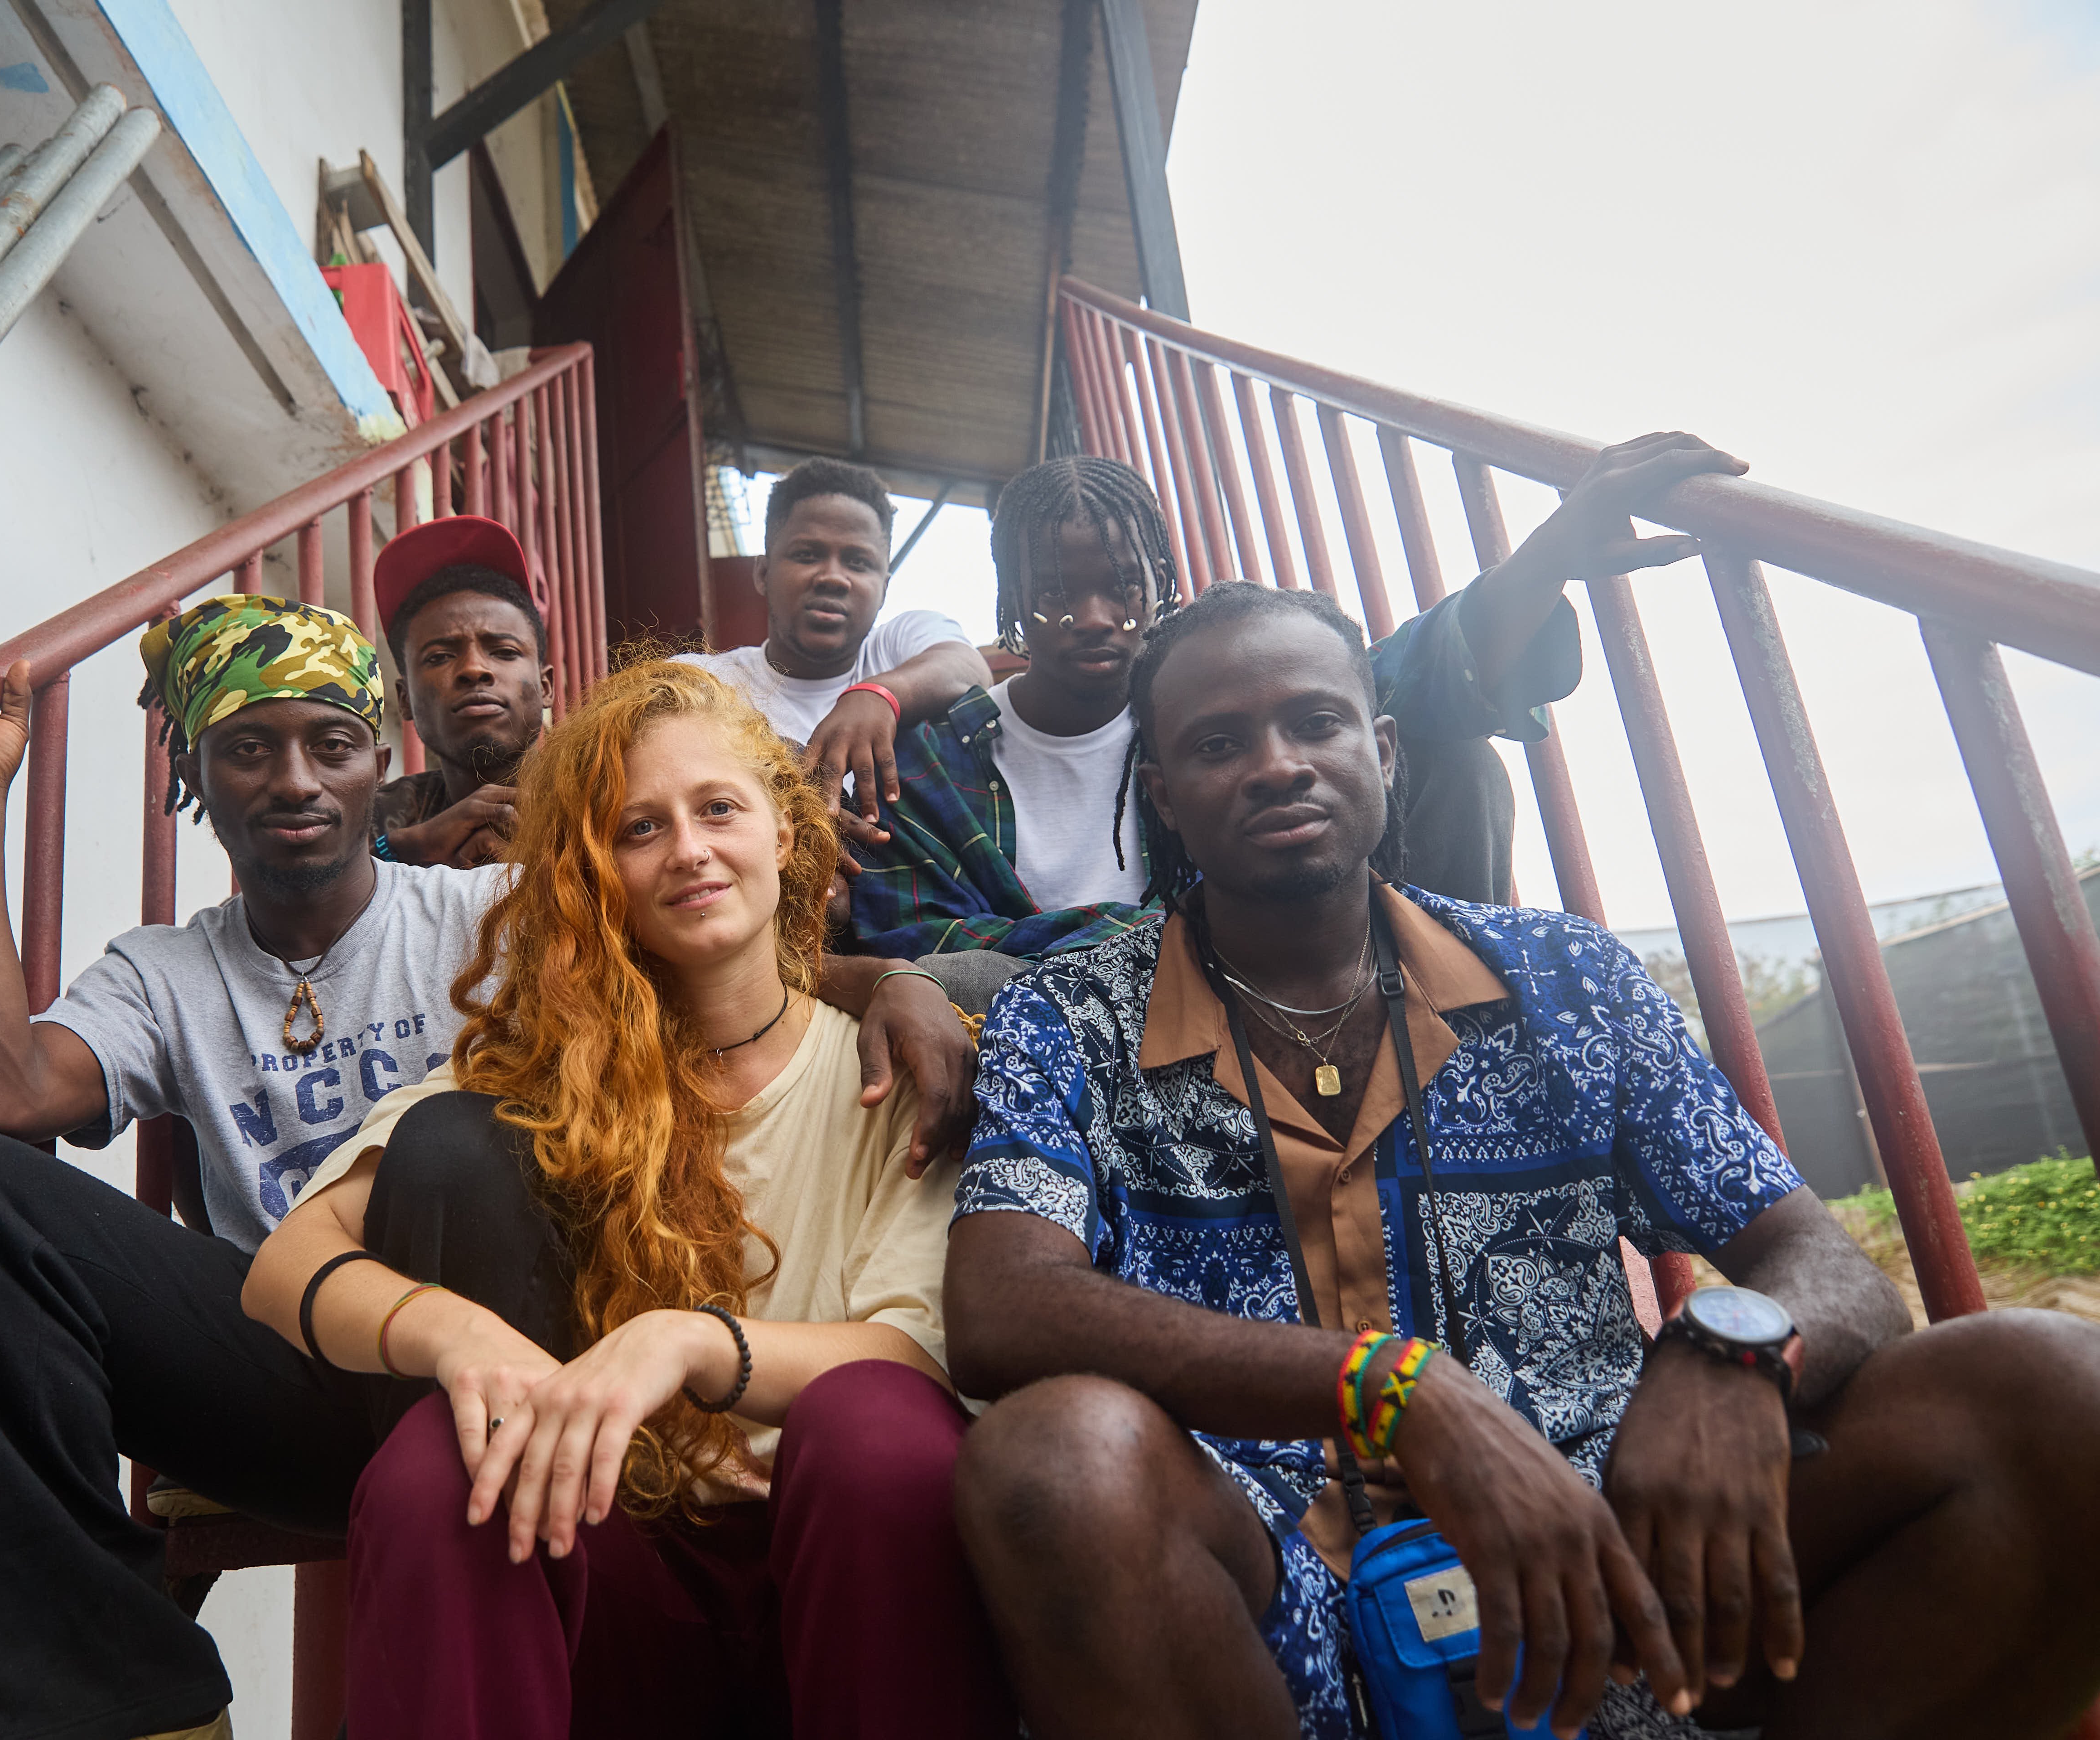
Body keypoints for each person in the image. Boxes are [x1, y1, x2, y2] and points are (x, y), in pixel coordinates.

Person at [940, 577, 2100, 1740]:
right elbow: (1003, 1304)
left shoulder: (1567, 977)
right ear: (1161, 797)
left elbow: (1814, 1254)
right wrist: (1387, 1385)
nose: (1277, 763)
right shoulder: (1070, 1015)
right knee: (1054, 1457)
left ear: (1384, 751)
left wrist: (1729, 1353)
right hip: (1273, 1599)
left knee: (2054, 1389)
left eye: (1317, 722)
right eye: (1217, 742)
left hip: (1612, 1543)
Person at [0, 595, 972, 1740]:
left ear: (380, 763)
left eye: (330, 743)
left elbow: (710, 935)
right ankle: (116, 1707)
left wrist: (892, 985)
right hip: (368, 1353)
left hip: (547, 1394)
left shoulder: (495, 915)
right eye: (247, 749)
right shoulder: (165, 973)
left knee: (464, 1155)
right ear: (195, 780)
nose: (294, 780)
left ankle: (503, 1498)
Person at [244, 661, 1016, 1739]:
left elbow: (924, 1352)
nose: (688, 849)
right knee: (441, 1459)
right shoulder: (537, 1074)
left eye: (717, 809)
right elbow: (284, 1264)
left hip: (845, 1575)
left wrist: (693, 1341)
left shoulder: (890, 1068)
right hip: (622, 1579)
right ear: (594, 871)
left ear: (784, 835)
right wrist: (460, 1336)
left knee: (876, 1426)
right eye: (639, 828)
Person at [845, 440, 1729, 964]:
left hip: (1257, 1010)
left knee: (1454, 760)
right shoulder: (938, 760)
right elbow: (914, 946)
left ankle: (1467, 1024)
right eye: (1052, 595)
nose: (1094, 620)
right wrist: (1172, 940)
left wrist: (1550, 554)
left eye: (1124, 588)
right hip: (1055, 1056)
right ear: (1006, 596)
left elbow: (1399, 672)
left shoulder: (1209, 714)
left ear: (1163, 579)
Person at [676, 456, 993, 830]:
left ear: (885, 587)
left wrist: (879, 695)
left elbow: (970, 669)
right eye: (807, 555)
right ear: (763, 573)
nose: (833, 578)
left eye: (858, 562)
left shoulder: (897, 646)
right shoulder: (703, 679)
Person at [368, 514, 550, 869]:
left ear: (547, 688)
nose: (474, 669)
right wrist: (401, 852)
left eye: (504, 652)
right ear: (405, 700)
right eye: (440, 657)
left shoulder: (612, 793)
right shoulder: (374, 817)